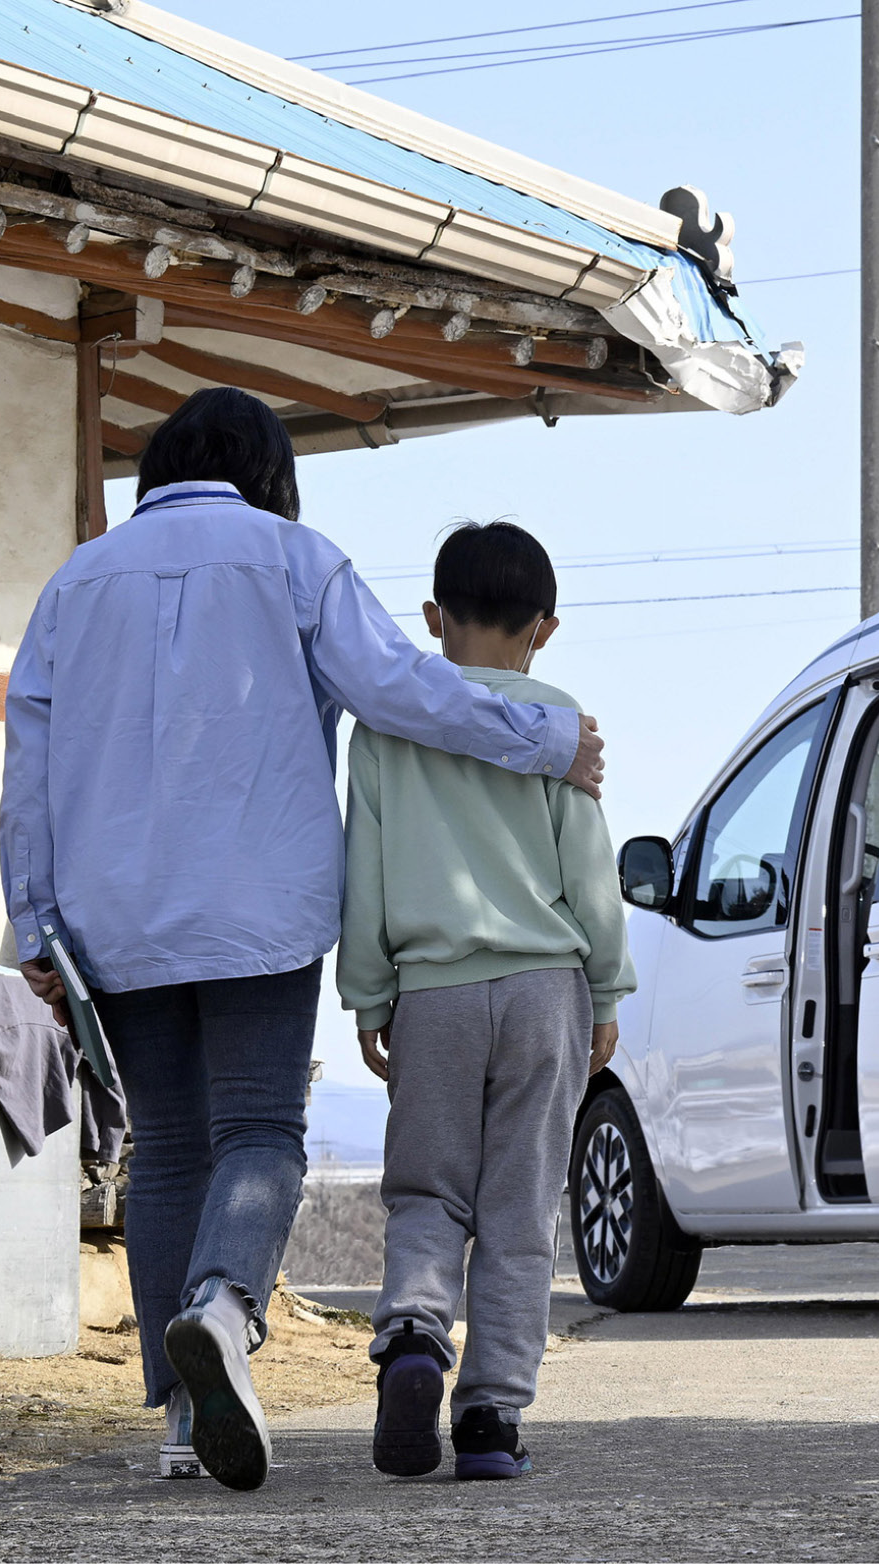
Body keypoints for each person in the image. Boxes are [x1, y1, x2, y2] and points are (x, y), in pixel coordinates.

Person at [0, 389, 607, 1492]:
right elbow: (404, 692)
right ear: (271, 473)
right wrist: (546, 737)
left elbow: (27, 765)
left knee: (169, 1148)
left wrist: (32, 918)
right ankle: (226, 1310)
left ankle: (185, 1421)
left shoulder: (72, 583)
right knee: (263, 1132)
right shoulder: (292, 559)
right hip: (258, 907)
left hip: (114, 912)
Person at [337, 521, 632, 1481]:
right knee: (521, 1208)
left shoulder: (387, 728)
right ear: (544, 628)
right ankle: (491, 1421)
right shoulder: (560, 721)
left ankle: (416, 1337)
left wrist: (369, 993)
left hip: (433, 994)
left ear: (431, 620)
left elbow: (365, 871)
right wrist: (605, 993)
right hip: (547, 989)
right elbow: (591, 878)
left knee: (428, 1190)